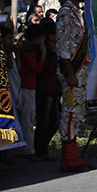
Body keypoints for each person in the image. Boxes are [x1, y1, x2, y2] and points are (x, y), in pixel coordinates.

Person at [56, 0, 93, 173]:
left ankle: (74, 155)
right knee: (69, 112)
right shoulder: (64, 13)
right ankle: (68, 158)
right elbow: (62, 46)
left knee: (77, 112)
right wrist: (70, 73)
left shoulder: (77, 11)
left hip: (80, 70)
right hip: (71, 70)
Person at [16, 22, 46, 160]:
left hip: (30, 86)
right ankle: (27, 150)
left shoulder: (29, 50)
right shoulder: (27, 51)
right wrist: (43, 53)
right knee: (28, 119)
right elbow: (37, 67)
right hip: (27, 87)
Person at [34, 18, 59, 161]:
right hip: (43, 88)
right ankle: (40, 150)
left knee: (54, 121)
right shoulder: (42, 50)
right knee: (44, 121)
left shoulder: (57, 49)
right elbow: (41, 69)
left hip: (54, 88)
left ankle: (44, 147)